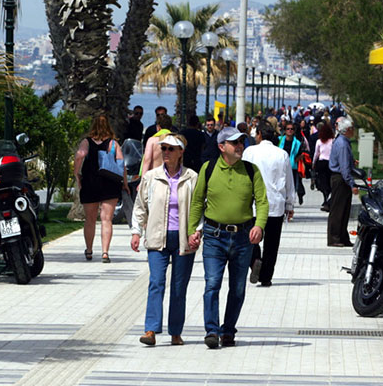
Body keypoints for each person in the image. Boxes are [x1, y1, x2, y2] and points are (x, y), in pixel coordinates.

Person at [187, 126, 268, 349]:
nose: (240, 145)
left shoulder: (252, 171)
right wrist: (193, 229)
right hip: (214, 236)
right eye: (234, 143)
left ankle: (229, 330)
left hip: (243, 238)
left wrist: (259, 226)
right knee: (212, 284)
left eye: (241, 141)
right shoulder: (208, 168)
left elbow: (262, 202)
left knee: (238, 288)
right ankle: (212, 331)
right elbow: (197, 201)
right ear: (222, 147)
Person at [131, 135, 199, 346]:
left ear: (181, 152)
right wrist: (136, 232)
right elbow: (140, 206)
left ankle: (176, 332)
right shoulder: (151, 177)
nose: (166, 152)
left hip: (182, 239)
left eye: (171, 148)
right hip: (156, 238)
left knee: (179, 287)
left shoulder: (191, 177)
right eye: (164, 148)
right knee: (156, 282)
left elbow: (199, 209)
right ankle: (150, 330)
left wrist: (197, 231)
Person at [243, 122, 294, 287]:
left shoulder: (249, 152)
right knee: (272, 244)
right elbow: (289, 182)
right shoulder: (282, 154)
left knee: (250, 239)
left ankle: (255, 260)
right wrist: (290, 205)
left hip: (252, 205)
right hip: (275, 204)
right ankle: (266, 276)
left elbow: (242, 175)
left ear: (258, 135)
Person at [74, 115, 128, 263]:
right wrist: (125, 183)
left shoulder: (87, 142)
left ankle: (89, 250)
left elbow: (80, 155)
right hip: (110, 183)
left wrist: (77, 173)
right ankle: (105, 252)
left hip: (90, 182)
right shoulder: (113, 143)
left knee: (90, 219)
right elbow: (121, 163)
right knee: (107, 219)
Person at [327, 117, 358, 247]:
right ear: (347, 130)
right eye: (352, 129)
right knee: (338, 210)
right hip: (340, 179)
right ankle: (334, 237)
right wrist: (352, 184)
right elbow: (344, 168)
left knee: (344, 210)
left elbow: (345, 162)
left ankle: (342, 237)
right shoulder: (343, 144)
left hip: (340, 178)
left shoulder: (342, 141)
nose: (353, 131)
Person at [279, 122, 303, 206]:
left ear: (294, 131)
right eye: (287, 129)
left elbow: (300, 153)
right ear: (285, 130)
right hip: (281, 167)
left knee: (291, 188)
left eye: (291, 129)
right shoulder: (280, 140)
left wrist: (295, 160)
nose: (289, 131)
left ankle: (290, 205)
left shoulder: (297, 143)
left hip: (292, 167)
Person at [313, 122, 334, 212]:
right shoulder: (333, 141)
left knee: (323, 182)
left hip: (321, 163)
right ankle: (328, 200)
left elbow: (316, 153)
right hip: (330, 163)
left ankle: (325, 199)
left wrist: (313, 163)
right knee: (329, 182)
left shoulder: (319, 141)